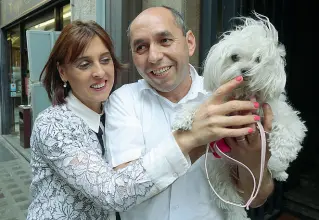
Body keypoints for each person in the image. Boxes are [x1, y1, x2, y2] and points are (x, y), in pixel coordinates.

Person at [26, 20, 223, 220]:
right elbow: (112, 193)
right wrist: (190, 139)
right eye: (84, 64)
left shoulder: (113, 110)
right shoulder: (53, 124)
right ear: (63, 72)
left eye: (105, 60)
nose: (99, 73)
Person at [105, 6, 274, 220]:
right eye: (141, 47)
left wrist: (253, 158)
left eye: (165, 40)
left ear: (190, 42)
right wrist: (193, 138)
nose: (154, 56)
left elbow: (257, 198)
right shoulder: (123, 100)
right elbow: (123, 191)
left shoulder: (229, 99)